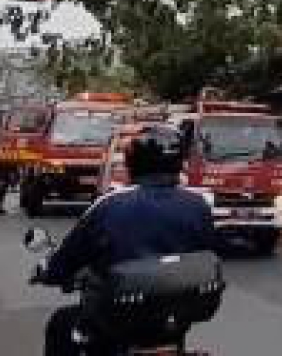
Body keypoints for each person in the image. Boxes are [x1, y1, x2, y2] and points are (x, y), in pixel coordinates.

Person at [37, 124, 217, 356]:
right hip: (177, 317)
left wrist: (51, 272)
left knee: (61, 323)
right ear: (179, 162)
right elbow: (208, 252)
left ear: (132, 162)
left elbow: (70, 255)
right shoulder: (198, 205)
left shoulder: (110, 205)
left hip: (117, 317)